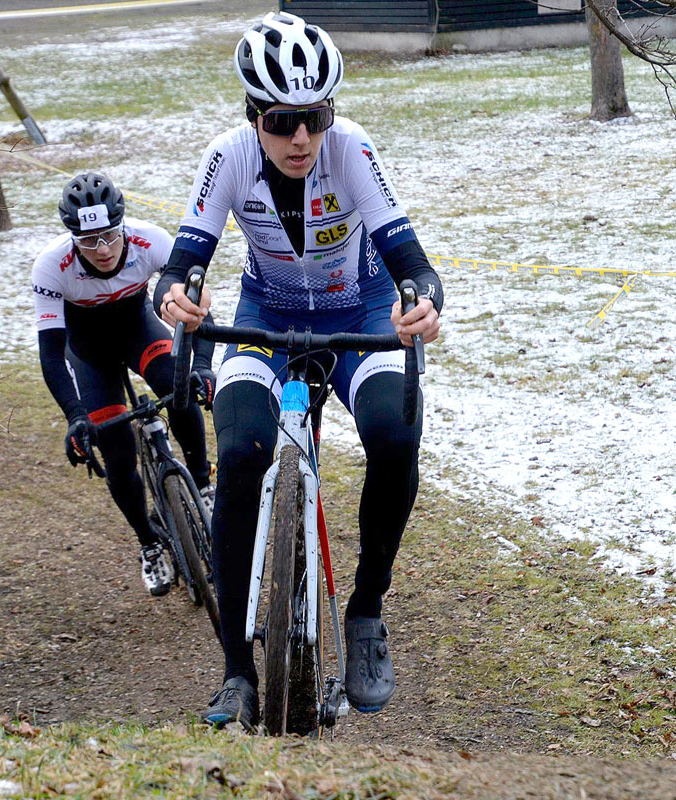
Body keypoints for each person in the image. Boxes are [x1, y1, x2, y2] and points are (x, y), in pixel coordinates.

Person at [154, 12, 444, 731]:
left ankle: (366, 610)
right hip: (268, 317)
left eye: (314, 118)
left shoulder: (351, 151)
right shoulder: (227, 157)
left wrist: (426, 303)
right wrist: (178, 293)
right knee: (244, 453)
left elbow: (411, 260)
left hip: (362, 310)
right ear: (253, 115)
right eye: (281, 121)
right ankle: (235, 673)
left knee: (395, 433)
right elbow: (186, 256)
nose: (300, 139)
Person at [33, 172, 217, 597]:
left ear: (124, 226)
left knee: (180, 386)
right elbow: (51, 352)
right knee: (115, 451)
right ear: (72, 238)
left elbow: (197, 310)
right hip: (89, 354)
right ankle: (149, 543)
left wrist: (202, 367)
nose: (101, 249)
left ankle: (202, 484)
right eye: (88, 241)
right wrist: (75, 417)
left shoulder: (151, 241)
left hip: (138, 330)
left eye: (109, 236)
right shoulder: (51, 267)